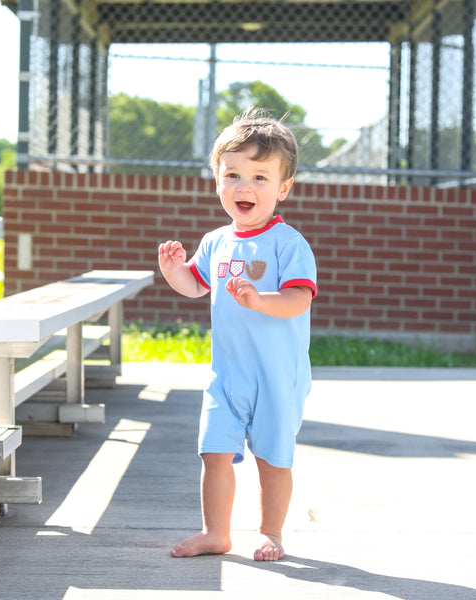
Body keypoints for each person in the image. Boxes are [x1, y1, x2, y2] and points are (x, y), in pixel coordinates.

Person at [158, 109, 317, 561]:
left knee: (272, 458)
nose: (244, 187)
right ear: (217, 181)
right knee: (214, 452)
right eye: (233, 175)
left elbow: (299, 300)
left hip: (275, 376)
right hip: (227, 374)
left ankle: (272, 532)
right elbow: (195, 285)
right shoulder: (216, 242)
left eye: (260, 177)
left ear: (283, 188)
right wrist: (174, 271)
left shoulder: (289, 244)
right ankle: (216, 533)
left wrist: (260, 300)